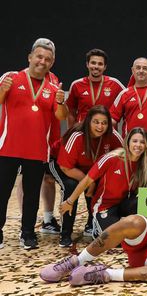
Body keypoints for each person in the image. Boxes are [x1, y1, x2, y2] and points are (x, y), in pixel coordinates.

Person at [0, 38, 68, 249]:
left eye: (47, 59)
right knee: (2, 191)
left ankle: (27, 233)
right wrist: (3, 89)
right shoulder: (11, 77)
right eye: (39, 57)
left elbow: (61, 116)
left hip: (37, 150)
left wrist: (60, 101)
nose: (42, 61)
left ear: (52, 62)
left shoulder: (53, 86)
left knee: (31, 195)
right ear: (30, 57)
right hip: (8, 147)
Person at [59, 127, 147, 237]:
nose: (138, 145)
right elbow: (86, 181)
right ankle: (98, 228)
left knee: (142, 207)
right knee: (113, 239)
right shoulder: (112, 158)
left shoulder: (144, 164)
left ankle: (122, 222)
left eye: (142, 142)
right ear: (128, 142)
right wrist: (69, 202)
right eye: (135, 141)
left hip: (124, 204)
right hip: (105, 206)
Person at [52, 105, 123, 247]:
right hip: (60, 163)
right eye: (96, 122)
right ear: (88, 121)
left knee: (101, 184)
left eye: (104, 123)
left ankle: (92, 224)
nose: (100, 126)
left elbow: (123, 154)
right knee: (71, 186)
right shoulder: (77, 136)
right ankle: (65, 233)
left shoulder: (112, 135)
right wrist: (90, 182)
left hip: (87, 169)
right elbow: (66, 167)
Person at [110, 57, 147, 143]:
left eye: (145, 68)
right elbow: (112, 120)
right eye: (138, 68)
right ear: (133, 70)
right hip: (130, 146)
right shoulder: (124, 94)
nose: (141, 71)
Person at [66, 48, 125, 128]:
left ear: (105, 67)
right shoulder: (76, 85)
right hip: (83, 132)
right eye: (93, 63)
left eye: (100, 64)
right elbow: (71, 112)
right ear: (87, 64)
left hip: (107, 133)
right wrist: (71, 133)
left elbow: (129, 98)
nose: (96, 66)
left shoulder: (115, 84)